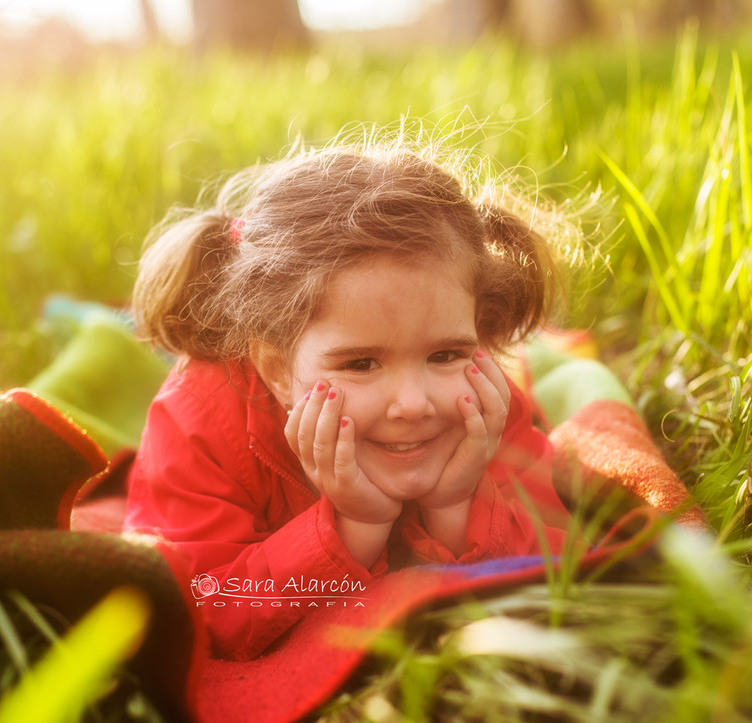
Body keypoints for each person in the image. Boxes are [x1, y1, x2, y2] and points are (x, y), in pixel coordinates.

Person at [124, 138, 585, 661]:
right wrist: (352, 529)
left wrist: (456, 505)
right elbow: (201, 609)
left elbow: (570, 567)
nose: (413, 404)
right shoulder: (198, 419)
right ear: (276, 368)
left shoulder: (479, 406)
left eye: (444, 354)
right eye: (361, 364)